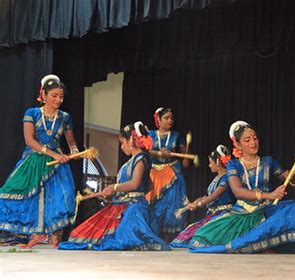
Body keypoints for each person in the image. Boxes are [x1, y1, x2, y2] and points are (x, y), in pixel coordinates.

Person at [189, 121, 295, 254]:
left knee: (292, 207)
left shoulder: (268, 161)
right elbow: (238, 192)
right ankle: (261, 244)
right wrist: (269, 195)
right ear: (238, 144)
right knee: (202, 235)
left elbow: (285, 176)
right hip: (242, 213)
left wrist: (291, 177)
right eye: (247, 140)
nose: (253, 143)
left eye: (255, 138)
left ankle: (265, 244)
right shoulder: (233, 165)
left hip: (266, 211)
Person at [59, 122, 170, 251]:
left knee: (123, 240)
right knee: (78, 236)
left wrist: (114, 187)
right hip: (121, 205)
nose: (122, 147)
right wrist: (115, 195)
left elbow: (135, 184)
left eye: (122, 142)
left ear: (131, 140)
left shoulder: (141, 159)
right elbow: (149, 186)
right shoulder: (133, 161)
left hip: (134, 208)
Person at [0, 74, 77, 248]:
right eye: (54, 96)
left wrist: (77, 153)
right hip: (34, 159)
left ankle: (54, 236)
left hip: (58, 165)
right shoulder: (32, 113)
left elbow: (72, 143)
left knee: (62, 196)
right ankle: (33, 234)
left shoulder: (65, 117)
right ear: (44, 95)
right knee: (17, 192)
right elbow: (30, 141)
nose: (58, 100)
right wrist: (53, 154)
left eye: (61, 96)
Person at [171, 145, 236, 248]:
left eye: (211, 162)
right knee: (189, 232)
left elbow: (213, 196)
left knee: (199, 235)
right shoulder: (217, 178)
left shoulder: (226, 178)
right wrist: (196, 202)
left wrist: (199, 204)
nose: (209, 165)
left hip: (222, 214)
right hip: (212, 214)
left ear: (218, 162)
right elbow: (208, 196)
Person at [147, 107, 189, 242]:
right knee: (155, 205)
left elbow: (185, 155)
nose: (170, 120)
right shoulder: (151, 135)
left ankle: (172, 239)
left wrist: (186, 158)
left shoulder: (176, 136)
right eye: (166, 118)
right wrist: (160, 153)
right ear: (158, 120)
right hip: (154, 173)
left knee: (173, 203)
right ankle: (154, 236)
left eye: (171, 118)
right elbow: (145, 151)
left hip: (172, 172)